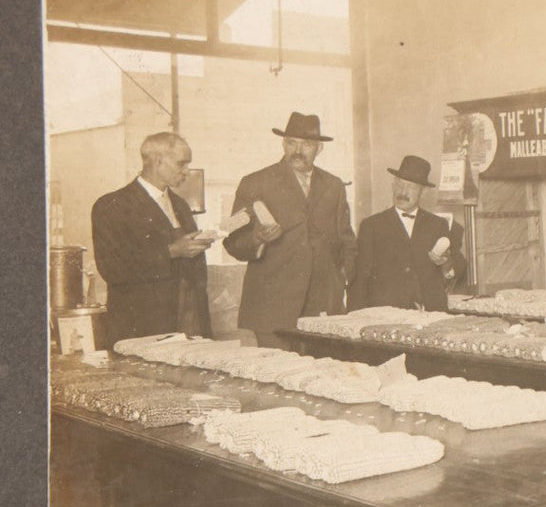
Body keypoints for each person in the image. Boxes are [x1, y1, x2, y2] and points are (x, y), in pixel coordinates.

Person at [223, 112, 356, 347]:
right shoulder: (255, 182)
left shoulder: (334, 185)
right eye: (292, 142)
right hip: (273, 310)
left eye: (306, 144)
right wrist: (258, 238)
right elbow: (232, 241)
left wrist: (343, 282)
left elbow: (346, 241)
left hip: (323, 308)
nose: (298, 150)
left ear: (319, 148)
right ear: (283, 144)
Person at [90, 131, 213, 340]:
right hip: (141, 327)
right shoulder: (111, 206)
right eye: (182, 163)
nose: (187, 170)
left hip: (188, 324)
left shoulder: (181, 206)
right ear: (158, 161)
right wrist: (173, 251)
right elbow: (112, 269)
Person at [350, 155, 466, 312]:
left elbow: (458, 266)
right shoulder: (371, 226)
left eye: (411, 187)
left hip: (430, 313)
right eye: (399, 185)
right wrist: (355, 316)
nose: (403, 192)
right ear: (392, 186)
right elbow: (360, 280)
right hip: (386, 316)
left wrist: (445, 263)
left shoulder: (438, 225)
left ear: (423, 192)